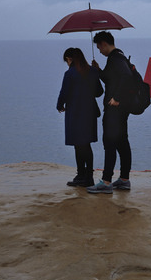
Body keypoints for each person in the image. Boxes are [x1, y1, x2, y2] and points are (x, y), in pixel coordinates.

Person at [89, 31, 133, 192]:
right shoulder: (117, 57)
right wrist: (99, 71)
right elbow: (112, 79)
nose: (99, 50)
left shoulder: (115, 58)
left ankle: (106, 182)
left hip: (115, 110)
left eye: (99, 47)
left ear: (104, 44)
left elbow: (126, 76)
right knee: (122, 143)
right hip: (121, 110)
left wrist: (116, 98)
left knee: (109, 143)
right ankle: (124, 179)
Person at [56, 46, 103, 188]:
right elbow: (99, 92)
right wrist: (96, 71)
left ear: (69, 59)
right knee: (86, 144)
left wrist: (59, 106)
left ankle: (81, 175)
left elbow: (63, 92)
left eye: (67, 61)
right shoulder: (93, 71)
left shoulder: (70, 74)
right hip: (89, 113)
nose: (67, 63)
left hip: (75, 112)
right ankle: (88, 176)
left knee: (78, 145)